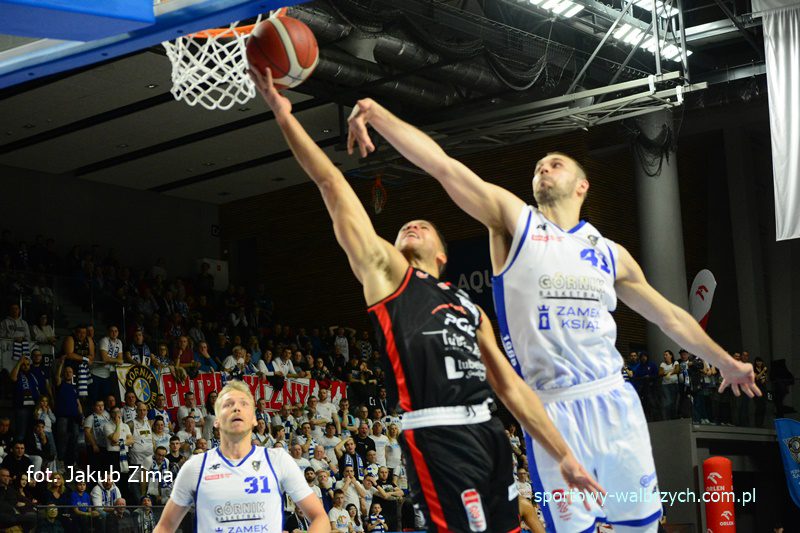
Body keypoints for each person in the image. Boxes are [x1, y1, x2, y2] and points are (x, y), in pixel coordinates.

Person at [345, 98, 762, 531]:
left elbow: (671, 317)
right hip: (552, 409)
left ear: (583, 186)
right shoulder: (515, 223)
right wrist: (380, 115)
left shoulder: (608, 253)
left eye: (556, 164)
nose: (544, 169)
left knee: (640, 527)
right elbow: (444, 167)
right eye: (539, 166)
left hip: (614, 400)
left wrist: (725, 362)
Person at [251, 67, 601, 533]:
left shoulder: (470, 306)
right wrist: (282, 114)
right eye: (403, 227)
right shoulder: (387, 276)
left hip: (490, 433)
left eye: (425, 225)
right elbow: (332, 184)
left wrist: (565, 457)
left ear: (442, 253)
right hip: (437, 435)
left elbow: (513, 390)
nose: (412, 225)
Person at [152, 381, 329, 532]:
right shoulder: (195, 467)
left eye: (244, 404)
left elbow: (319, 516)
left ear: (254, 419)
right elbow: (165, 526)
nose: (236, 408)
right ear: (217, 421)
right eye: (228, 405)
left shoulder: (278, 460)